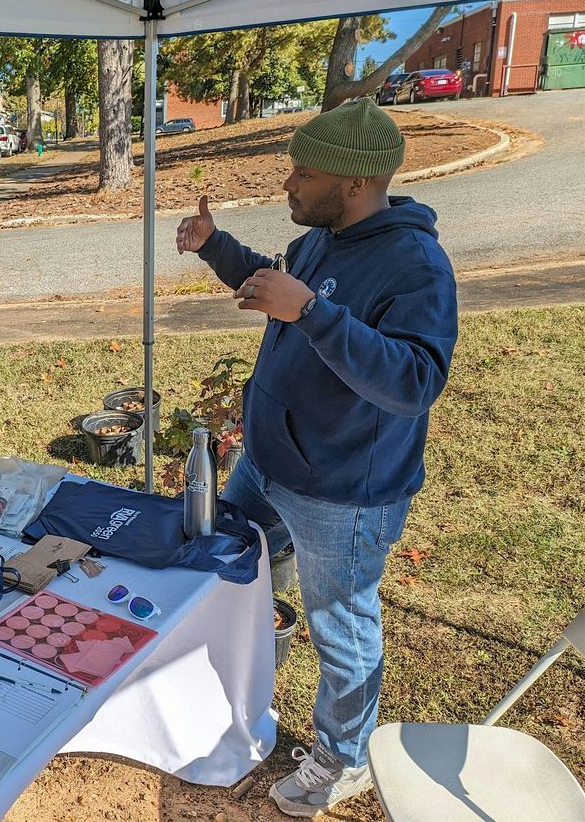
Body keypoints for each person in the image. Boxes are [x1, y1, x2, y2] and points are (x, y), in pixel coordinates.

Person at [176, 99, 458, 817]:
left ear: (357, 183)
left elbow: (415, 380)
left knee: (343, 625)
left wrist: (311, 312)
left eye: (305, 172)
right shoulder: (322, 240)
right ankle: (233, 687)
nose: (290, 183)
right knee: (226, 569)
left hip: (343, 491)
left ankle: (345, 758)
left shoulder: (416, 264)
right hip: (270, 463)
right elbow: (280, 287)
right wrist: (217, 247)